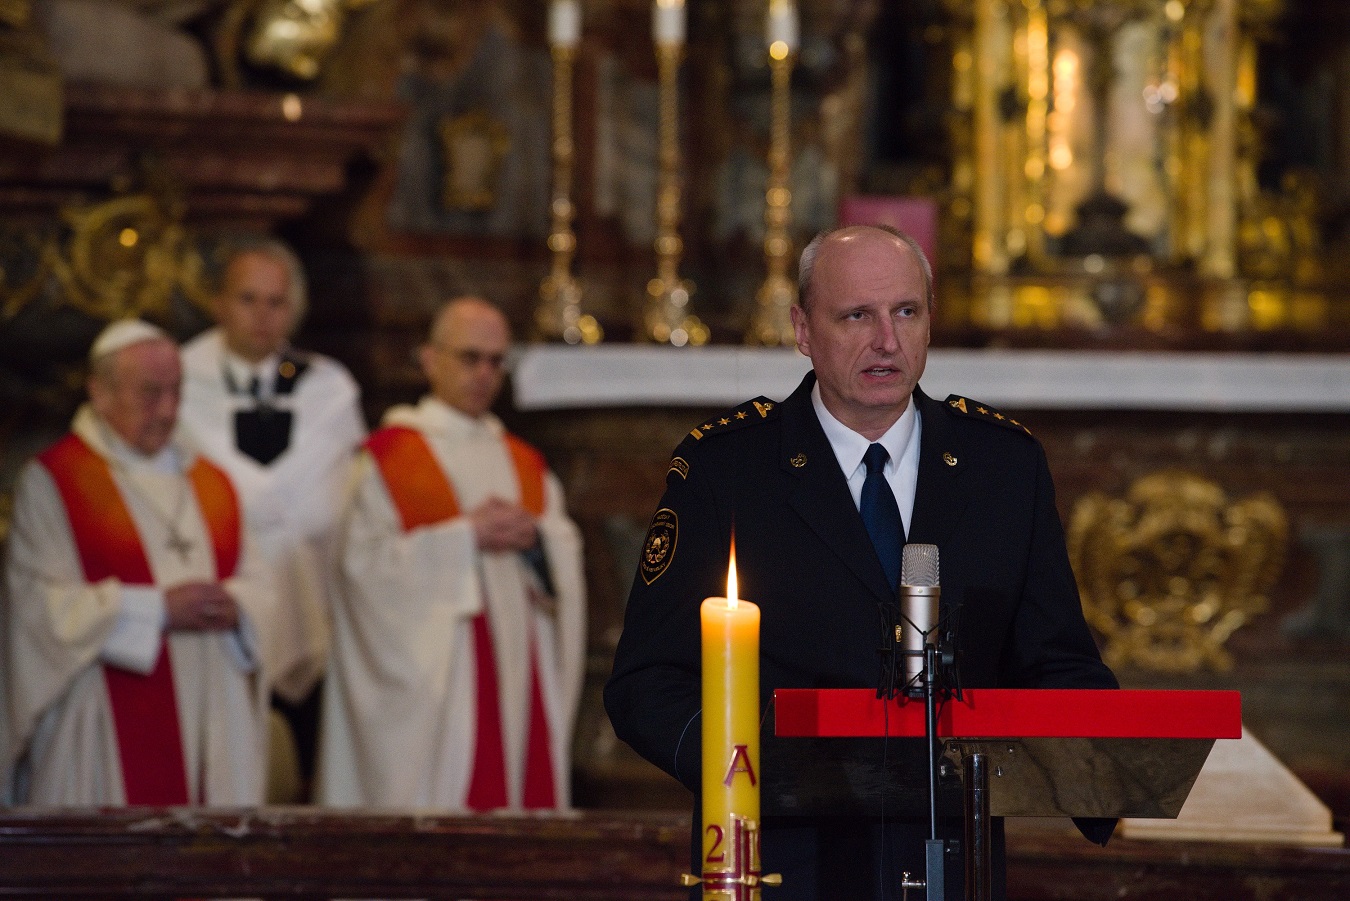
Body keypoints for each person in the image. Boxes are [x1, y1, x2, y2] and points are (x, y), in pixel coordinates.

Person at [604, 225, 1119, 900]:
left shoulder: (1003, 467)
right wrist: (742, 764)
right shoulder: (726, 469)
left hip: (948, 860)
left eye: (907, 311)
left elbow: (1056, 662)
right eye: (857, 315)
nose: (887, 340)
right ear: (802, 329)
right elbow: (647, 679)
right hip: (780, 857)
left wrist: (1108, 770)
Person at [317, 296, 586, 810]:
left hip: (514, 682)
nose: (484, 373)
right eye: (469, 358)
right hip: (437, 699)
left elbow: (563, 562)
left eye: (495, 361)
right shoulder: (392, 456)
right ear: (429, 359)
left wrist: (537, 542)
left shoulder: (524, 462)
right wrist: (465, 538)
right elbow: (360, 573)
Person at [2, 319, 276, 805]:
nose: (168, 410)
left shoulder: (211, 482)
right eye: (150, 393)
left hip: (212, 723)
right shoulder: (56, 482)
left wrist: (239, 609)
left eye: (177, 391)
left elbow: (261, 585)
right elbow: (36, 611)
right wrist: (156, 612)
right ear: (100, 391)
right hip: (101, 720)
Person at [179, 238, 366, 795]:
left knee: (309, 771)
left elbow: (351, 493)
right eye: (248, 299)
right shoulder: (180, 382)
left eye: (276, 302)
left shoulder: (328, 389)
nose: (263, 316)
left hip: (315, 599)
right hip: (219, 608)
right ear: (218, 303)